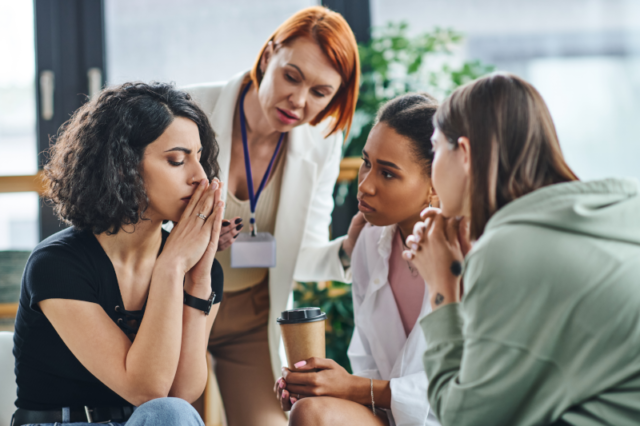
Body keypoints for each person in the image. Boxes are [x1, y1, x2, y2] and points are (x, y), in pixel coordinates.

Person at [404, 72, 640, 425]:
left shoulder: (509, 250)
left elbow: (467, 419)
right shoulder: (623, 209)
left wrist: (442, 289)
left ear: (464, 153)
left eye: (435, 149)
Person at [183, 6, 366, 425]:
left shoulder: (321, 143)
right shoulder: (190, 108)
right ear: (268, 56)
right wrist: (193, 238)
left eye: (320, 93)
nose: (299, 102)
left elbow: (302, 253)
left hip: (252, 314)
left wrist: (348, 250)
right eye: (291, 76)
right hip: (179, 306)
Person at [12, 82, 225, 426]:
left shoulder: (198, 269)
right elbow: (148, 390)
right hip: (60, 423)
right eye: (177, 160)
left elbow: (182, 393)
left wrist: (198, 280)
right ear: (123, 167)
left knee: (174, 412)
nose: (200, 178)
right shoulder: (57, 265)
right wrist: (170, 268)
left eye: (199, 158)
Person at [274, 93, 442, 426]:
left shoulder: (469, 254)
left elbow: (466, 389)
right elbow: (367, 362)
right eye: (367, 162)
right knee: (308, 411)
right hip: (391, 417)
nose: (364, 186)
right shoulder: (368, 242)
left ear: (434, 185)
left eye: (388, 174)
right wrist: (322, 385)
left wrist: (353, 387)